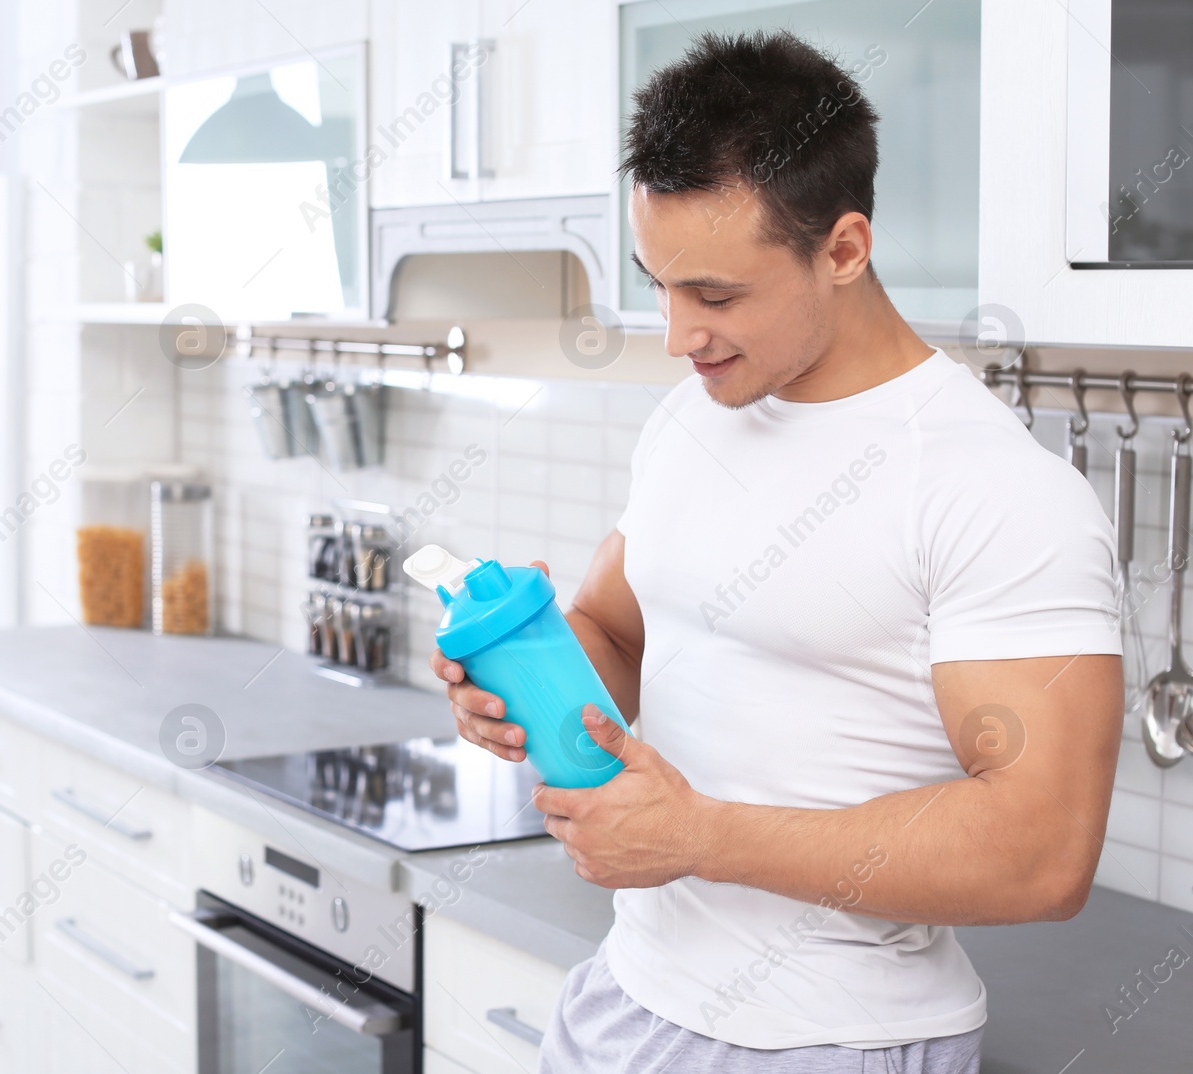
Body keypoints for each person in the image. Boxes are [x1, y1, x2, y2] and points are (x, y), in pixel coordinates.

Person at [430, 29, 1123, 1074]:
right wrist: (518, 679)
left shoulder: (994, 489)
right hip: (622, 999)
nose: (675, 334)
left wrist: (700, 837)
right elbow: (616, 630)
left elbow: (1041, 850)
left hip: (826, 1041)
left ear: (843, 249)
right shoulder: (689, 421)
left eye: (713, 295)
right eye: (657, 284)